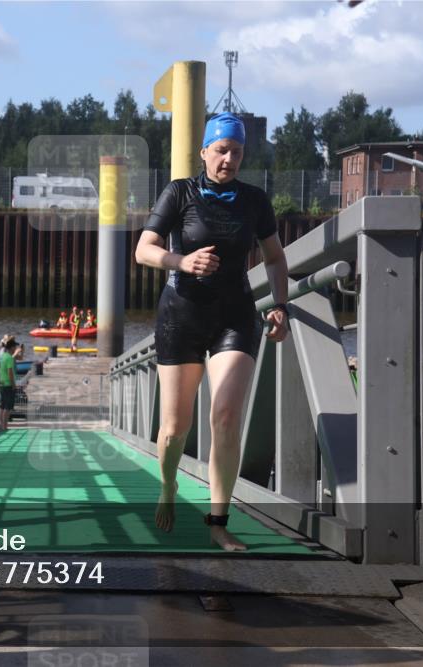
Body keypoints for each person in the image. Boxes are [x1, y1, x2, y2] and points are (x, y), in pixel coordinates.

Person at [134, 112, 289, 552]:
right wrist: (181, 262)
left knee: (225, 416)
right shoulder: (179, 192)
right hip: (181, 315)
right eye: (221, 150)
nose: (229, 159)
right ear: (204, 151)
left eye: (237, 152)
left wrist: (280, 305)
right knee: (174, 428)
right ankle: (168, 487)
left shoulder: (255, 200)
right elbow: (144, 249)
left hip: (234, 316)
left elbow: (275, 258)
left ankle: (219, 521)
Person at [0, 336, 18, 430]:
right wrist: (13, 384)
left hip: (2, 383)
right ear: (12, 347)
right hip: (8, 384)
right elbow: (10, 372)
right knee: (8, 406)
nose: (15, 349)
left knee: (2, 406)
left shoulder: (3, 356)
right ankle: (5, 426)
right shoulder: (9, 358)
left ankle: (1, 425)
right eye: (15, 347)